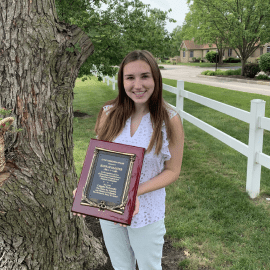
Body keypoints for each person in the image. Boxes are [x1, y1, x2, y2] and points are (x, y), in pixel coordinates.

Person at [74, 50, 184, 270]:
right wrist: (86, 188)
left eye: (145, 76)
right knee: (121, 266)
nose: (138, 85)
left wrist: (134, 193)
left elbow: (172, 170)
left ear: (155, 79)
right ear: (122, 81)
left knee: (148, 267)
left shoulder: (169, 120)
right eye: (130, 78)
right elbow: (101, 159)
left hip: (146, 211)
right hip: (109, 208)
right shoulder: (109, 113)